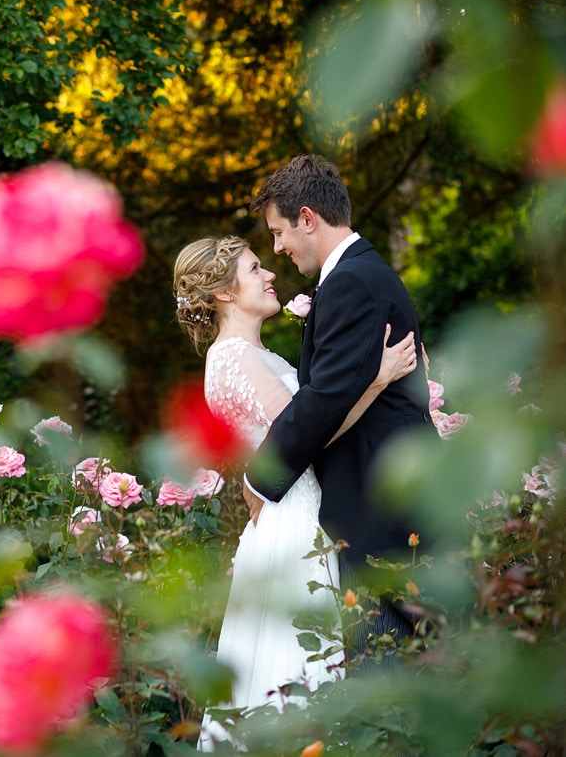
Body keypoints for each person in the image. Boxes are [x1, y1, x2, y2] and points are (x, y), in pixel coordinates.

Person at [171, 235, 417, 751]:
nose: (270, 275)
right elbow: (305, 434)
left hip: (301, 509)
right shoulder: (233, 358)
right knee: (304, 663)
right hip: (294, 520)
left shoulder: (256, 354)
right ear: (223, 293)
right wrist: (376, 380)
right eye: (255, 268)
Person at [241, 155, 437, 657]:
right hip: (383, 509)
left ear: (308, 218)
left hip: (381, 515)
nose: (278, 246)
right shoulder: (358, 274)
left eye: (279, 231)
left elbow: (324, 398)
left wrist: (259, 477)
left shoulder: (350, 282)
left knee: (387, 691)